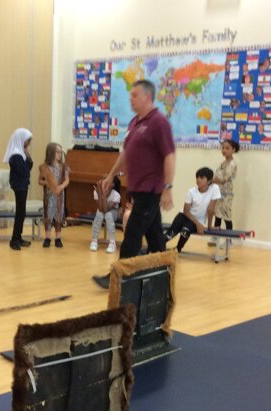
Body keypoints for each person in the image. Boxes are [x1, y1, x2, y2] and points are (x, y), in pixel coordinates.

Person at [93, 79, 175, 288]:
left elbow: (169, 155)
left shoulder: (159, 122)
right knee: (155, 237)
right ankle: (164, 276)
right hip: (137, 189)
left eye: (135, 95)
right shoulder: (135, 123)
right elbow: (126, 153)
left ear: (147, 96)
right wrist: (111, 175)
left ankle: (118, 277)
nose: (131, 99)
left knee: (132, 233)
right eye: (130, 95)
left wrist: (167, 187)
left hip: (151, 190)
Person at [163, 167, 220, 253]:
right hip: (184, 215)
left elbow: (211, 209)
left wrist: (209, 226)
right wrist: (198, 224)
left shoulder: (215, 189)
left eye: (201, 178)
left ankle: (178, 249)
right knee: (170, 234)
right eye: (197, 177)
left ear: (209, 181)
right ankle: (155, 247)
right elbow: (186, 211)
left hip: (196, 220)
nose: (198, 180)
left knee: (186, 230)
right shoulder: (191, 192)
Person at [3, 128, 33, 251]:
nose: (28, 143)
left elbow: (28, 167)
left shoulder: (21, 153)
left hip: (22, 185)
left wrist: (28, 157)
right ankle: (14, 239)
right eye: (27, 140)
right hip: (19, 185)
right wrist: (28, 158)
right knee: (20, 212)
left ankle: (18, 237)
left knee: (22, 212)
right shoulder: (16, 154)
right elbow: (24, 170)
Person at [38, 142, 70, 248]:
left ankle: (58, 238)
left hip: (59, 196)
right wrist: (48, 183)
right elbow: (40, 181)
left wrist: (61, 187)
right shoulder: (45, 167)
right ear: (51, 153)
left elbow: (67, 180)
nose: (60, 154)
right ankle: (47, 237)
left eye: (61, 152)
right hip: (49, 196)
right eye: (57, 152)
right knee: (48, 215)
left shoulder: (63, 167)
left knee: (58, 215)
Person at [212, 139, 239, 233]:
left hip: (226, 194)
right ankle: (215, 237)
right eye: (223, 148)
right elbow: (217, 175)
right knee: (217, 215)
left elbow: (225, 178)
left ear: (233, 150)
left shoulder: (232, 164)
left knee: (227, 216)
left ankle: (229, 238)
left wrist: (215, 181)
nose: (224, 150)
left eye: (227, 148)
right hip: (218, 192)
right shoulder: (223, 163)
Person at [90, 176, 121, 253]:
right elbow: (101, 208)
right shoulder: (96, 192)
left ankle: (112, 242)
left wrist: (103, 194)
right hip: (102, 210)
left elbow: (107, 209)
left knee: (108, 215)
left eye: (107, 180)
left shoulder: (116, 194)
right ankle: (94, 240)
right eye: (103, 179)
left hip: (113, 213)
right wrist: (100, 193)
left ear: (112, 184)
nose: (103, 181)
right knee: (99, 214)